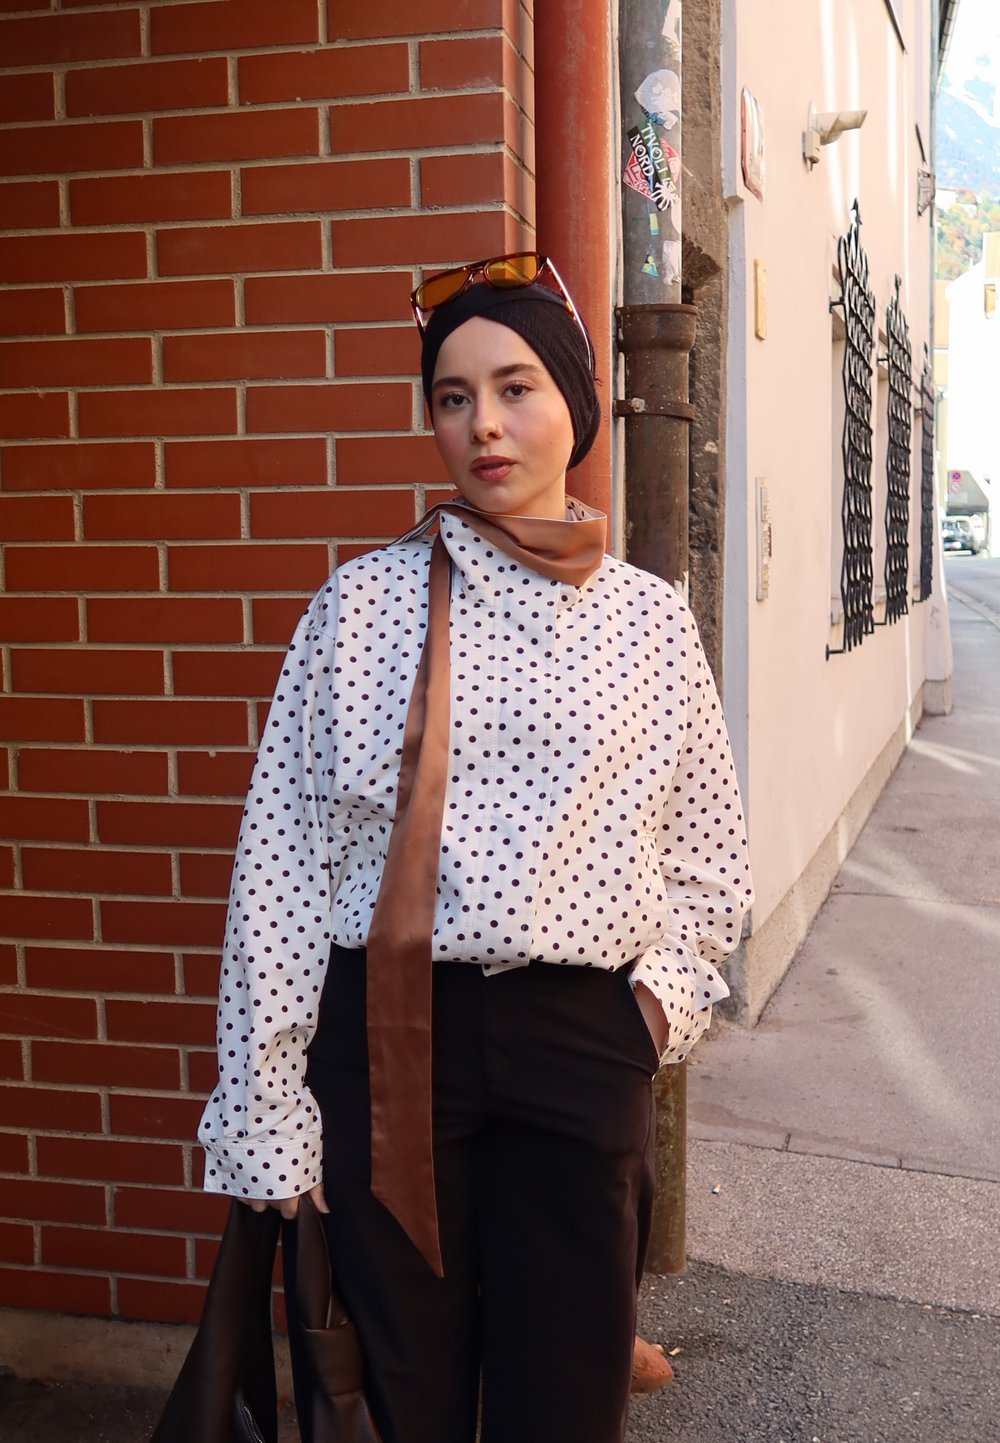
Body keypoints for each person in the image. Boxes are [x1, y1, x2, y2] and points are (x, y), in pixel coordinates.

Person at [199, 252, 753, 1443]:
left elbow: (709, 862)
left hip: (579, 1041)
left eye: (514, 388)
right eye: (452, 398)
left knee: (567, 1389)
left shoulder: (647, 618)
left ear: (574, 405)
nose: (483, 426)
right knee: (405, 1393)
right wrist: (268, 1104)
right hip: (391, 1045)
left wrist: (645, 1017)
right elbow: (283, 871)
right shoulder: (360, 606)